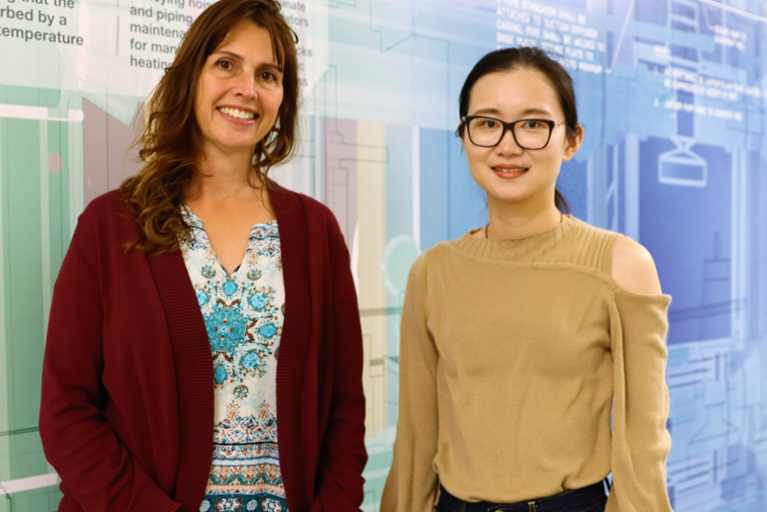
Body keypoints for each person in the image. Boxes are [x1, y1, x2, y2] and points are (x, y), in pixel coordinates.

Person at [38, 1, 367, 510]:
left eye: (268, 74)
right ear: (192, 76)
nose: (247, 89)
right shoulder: (110, 226)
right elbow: (67, 410)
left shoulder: (316, 231)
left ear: (283, 97)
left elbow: (345, 408)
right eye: (226, 64)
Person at [381, 47, 673, 512]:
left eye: (534, 124)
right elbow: (416, 440)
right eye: (488, 123)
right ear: (464, 136)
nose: (508, 144)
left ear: (572, 140)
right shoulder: (432, 273)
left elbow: (644, 444)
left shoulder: (621, 265)